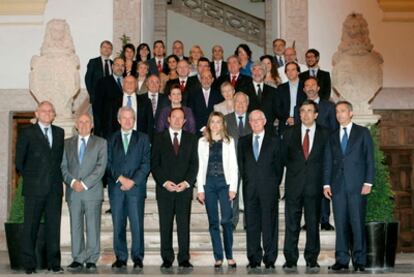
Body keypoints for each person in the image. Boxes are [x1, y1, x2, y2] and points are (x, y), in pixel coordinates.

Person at [324, 101, 375, 272]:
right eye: (337, 111)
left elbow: (369, 159)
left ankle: (360, 260)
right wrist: (326, 184)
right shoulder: (331, 136)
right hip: (337, 187)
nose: (339, 114)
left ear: (351, 113)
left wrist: (368, 182)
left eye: (343, 111)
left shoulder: (362, 132)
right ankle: (342, 260)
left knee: (357, 223)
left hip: (358, 186)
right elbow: (328, 161)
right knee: (340, 223)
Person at [16, 101, 65, 274]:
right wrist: (33, 179)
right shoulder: (27, 133)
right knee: (30, 227)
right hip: (34, 189)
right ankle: (29, 264)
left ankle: (54, 263)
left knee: (54, 227)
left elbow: (59, 160)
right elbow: (19, 162)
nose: (47, 113)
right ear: (37, 113)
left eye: (50, 111)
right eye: (44, 110)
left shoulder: (60, 133)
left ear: (53, 115)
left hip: (54, 190)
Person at [281, 100, 330, 273]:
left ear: (316, 114)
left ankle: (311, 259)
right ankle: (290, 259)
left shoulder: (326, 133)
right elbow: (284, 159)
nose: (306, 114)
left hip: (315, 187)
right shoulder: (289, 133)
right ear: (299, 114)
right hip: (294, 185)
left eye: (310, 111)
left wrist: (326, 183)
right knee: (291, 224)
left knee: (312, 223)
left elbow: (328, 161)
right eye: (303, 111)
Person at [151, 107, 198, 269]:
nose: (177, 120)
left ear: (185, 121)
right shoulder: (158, 138)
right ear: (168, 119)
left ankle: (184, 258)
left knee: (183, 225)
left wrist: (186, 183)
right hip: (165, 189)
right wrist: (164, 182)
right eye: (174, 117)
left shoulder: (192, 139)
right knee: (166, 224)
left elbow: (194, 164)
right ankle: (167, 258)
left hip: (184, 189)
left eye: (181, 118)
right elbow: (154, 164)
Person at [61, 113, 107, 272]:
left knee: (93, 226)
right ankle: (78, 258)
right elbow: (63, 167)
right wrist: (73, 182)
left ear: (92, 125)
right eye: (80, 122)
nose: (83, 124)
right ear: (75, 125)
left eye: (87, 122)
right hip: (73, 192)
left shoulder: (101, 143)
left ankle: (92, 258)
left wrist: (85, 184)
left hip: (92, 191)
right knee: (76, 226)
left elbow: (101, 167)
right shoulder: (67, 143)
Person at [237, 110, 283, 269]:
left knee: (269, 225)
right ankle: (254, 258)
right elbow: (242, 166)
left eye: (258, 120)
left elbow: (278, 168)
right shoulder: (243, 142)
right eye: (252, 120)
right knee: (252, 225)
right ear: (249, 123)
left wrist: (271, 184)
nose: (255, 122)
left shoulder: (275, 141)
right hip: (250, 189)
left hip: (268, 189)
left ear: (264, 121)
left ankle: (270, 259)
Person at [107, 107, 151, 270]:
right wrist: (120, 179)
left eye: (130, 118)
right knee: (118, 223)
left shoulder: (143, 138)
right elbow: (108, 162)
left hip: (136, 188)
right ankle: (121, 257)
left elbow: (146, 163)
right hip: (116, 188)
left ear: (134, 120)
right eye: (124, 118)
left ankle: (138, 257)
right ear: (119, 120)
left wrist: (133, 181)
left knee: (136, 224)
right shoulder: (111, 139)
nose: (127, 121)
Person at [294, 77, 337, 232]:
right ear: (303, 89)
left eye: (313, 85)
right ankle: (309, 220)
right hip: (306, 151)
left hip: (323, 151)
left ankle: (324, 220)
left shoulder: (329, 106)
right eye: (307, 85)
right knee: (306, 189)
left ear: (318, 87)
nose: (310, 87)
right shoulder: (299, 106)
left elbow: (334, 129)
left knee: (323, 185)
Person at [197, 112, 238, 268]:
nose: (215, 125)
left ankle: (230, 255)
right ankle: (218, 256)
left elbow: (234, 166)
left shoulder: (229, 141)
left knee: (227, 220)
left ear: (223, 124)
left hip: (224, 183)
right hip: (208, 184)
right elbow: (200, 166)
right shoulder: (202, 141)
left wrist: (233, 188)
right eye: (212, 122)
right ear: (209, 124)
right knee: (213, 221)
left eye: (218, 122)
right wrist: (200, 189)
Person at [96, 73, 154, 140]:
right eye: (127, 82)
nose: (130, 84)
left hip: (140, 141)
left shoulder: (146, 102)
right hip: (118, 141)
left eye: (132, 82)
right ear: (123, 85)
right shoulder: (112, 102)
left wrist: (149, 141)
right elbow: (108, 125)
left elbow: (150, 124)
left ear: (136, 85)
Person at [224, 92, 252, 229]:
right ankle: (233, 221)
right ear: (233, 104)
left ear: (247, 104)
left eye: (243, 102)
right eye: (238, 102)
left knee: (249, 193)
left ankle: (249, 222)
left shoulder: (254, 119)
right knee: (232, 192)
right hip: (231, 162)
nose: (240, 105)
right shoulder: (225, 119)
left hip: (250, 163)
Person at [93, 57, 125, 137]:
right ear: (112, 66)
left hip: (125, 124)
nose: (120, 68)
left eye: (122, 65)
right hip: (108, 127)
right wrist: (98, 129)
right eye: (117, 65)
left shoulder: (128, 82)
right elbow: (97, 106)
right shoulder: (103, 82)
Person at [244, 61, 279, 135]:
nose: (257, 72)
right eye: (254, 69)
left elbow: (276, 110)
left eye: (260, 69)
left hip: (268, 129)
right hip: (249, 128)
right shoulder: (243, 90)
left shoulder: (273, 91)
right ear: (251, 73)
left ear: (265, 73)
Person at [188, 70, 223, 136]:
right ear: (200, 80)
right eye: (203, 77)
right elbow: (191, 114)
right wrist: (203, 128)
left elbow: (220, 114)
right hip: (198, 131)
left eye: (209, 77)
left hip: (216, 131)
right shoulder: (193, 95)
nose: (206, 80)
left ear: (212, 80)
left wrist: (211, 128)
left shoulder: (218, 95)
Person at [276, 61, 306, 135]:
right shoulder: (280, 88)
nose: (290, 72)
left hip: (302, 122)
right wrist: (287, 118)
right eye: (288, 70)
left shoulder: (305, 86)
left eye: (293, 70)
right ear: (285, 73)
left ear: (298, 72)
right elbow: (277, 107)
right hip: (285, 124)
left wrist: (297, 119)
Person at [85, 40, 113, 106]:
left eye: (109, 48)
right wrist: (92, 95)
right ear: (100, 49)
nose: (106, 49)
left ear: (111, 51)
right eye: (104, 47)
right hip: (97, 98)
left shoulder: (113, 64)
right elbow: (88, 79)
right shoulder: (93, 62)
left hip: (111, 98)